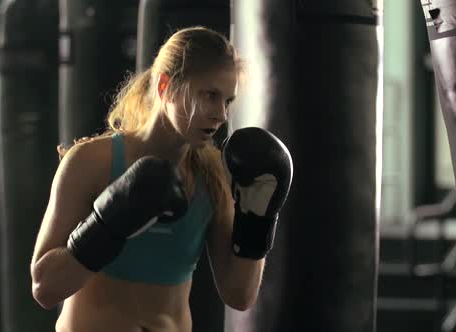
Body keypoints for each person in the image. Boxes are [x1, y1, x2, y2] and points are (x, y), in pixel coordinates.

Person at [30, 26, 293, 332]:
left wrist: (258, 220)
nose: (220, 114)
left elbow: (239, 295)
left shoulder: (213, 178)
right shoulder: (92, 162)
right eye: (209, 95)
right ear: (165, 85)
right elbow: (44, 288)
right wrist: (109, 222)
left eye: (227, 101)